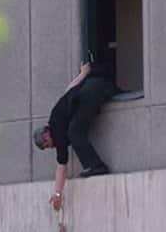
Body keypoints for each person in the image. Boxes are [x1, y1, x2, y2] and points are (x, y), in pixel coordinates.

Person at [34, 62, 116, 210]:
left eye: (47, 144)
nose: (51, 147)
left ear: (47, 134)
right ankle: (94, 166)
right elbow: (69, 89)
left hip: (92, 91)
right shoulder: (56, 115)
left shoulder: (58, 131)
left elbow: (61, 167)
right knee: (74, 130)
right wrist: (83, 73)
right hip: (96, 85)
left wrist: (58, 194)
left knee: (74, 132)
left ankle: (97, 166)